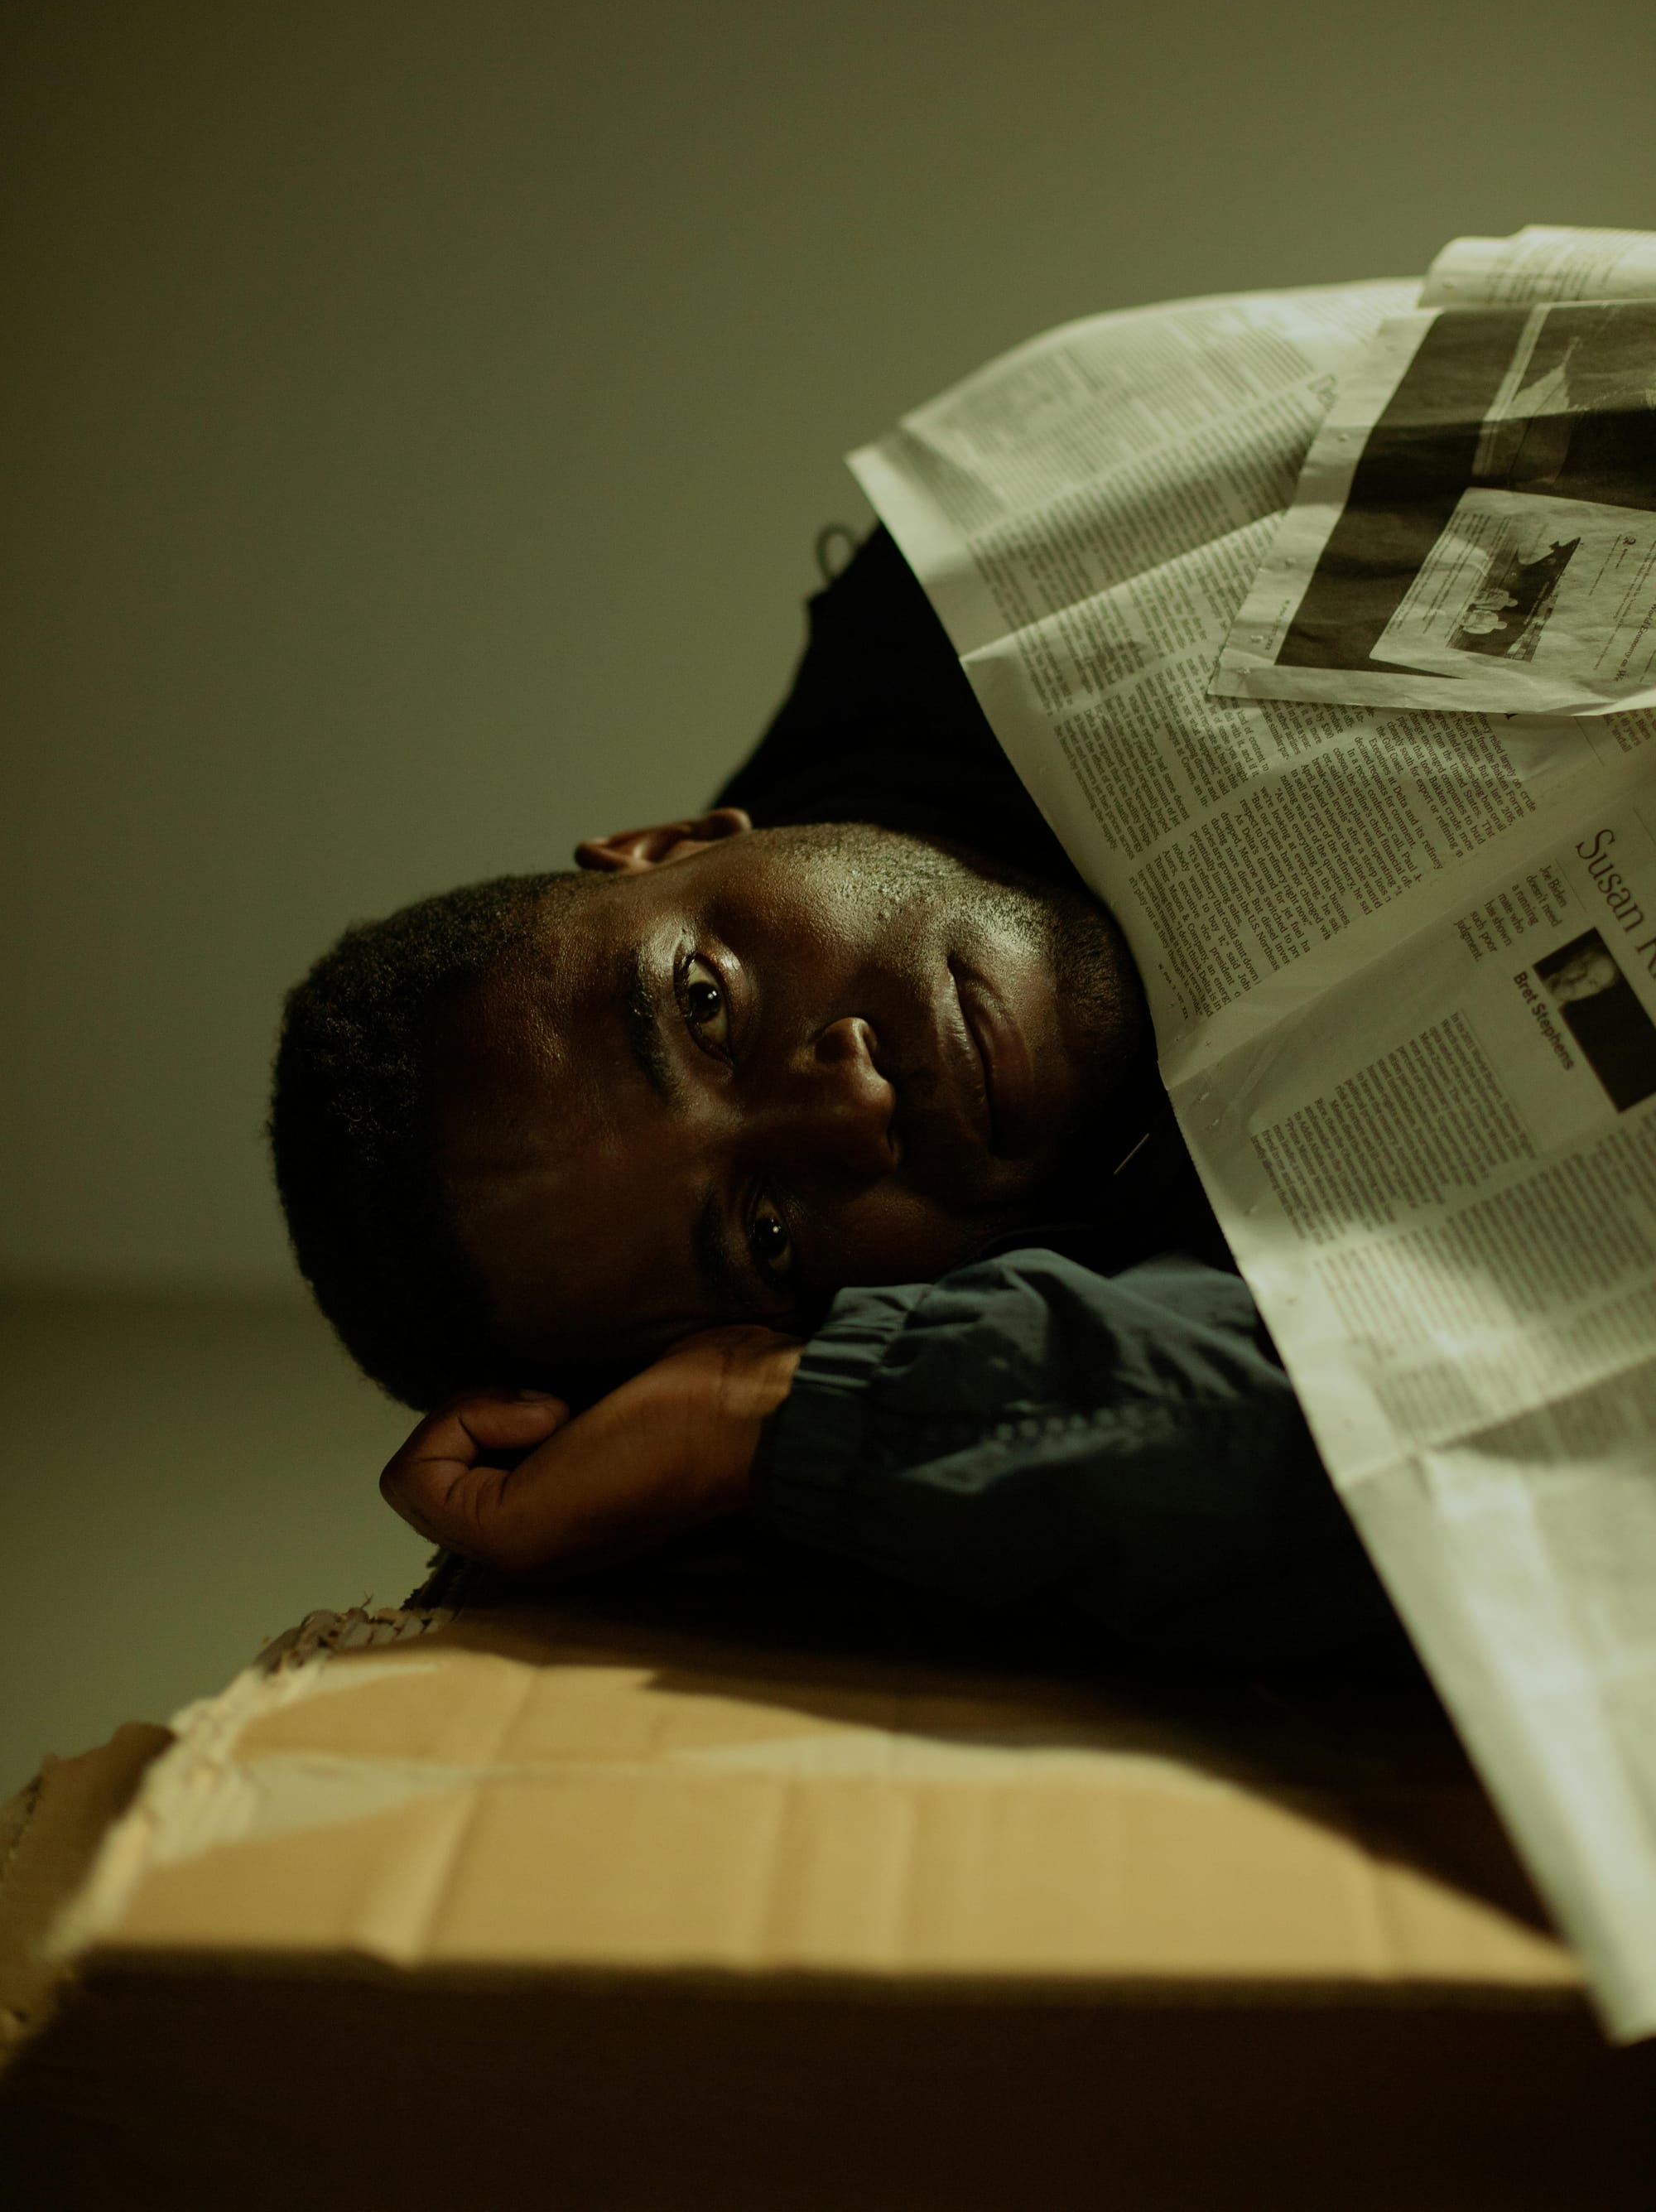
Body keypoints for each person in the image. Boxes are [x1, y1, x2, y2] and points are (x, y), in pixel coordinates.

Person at [271, 528, 1394, 1670]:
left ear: (668, 845)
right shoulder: (1063, 1332)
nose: (853, 1108)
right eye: (767, 1236)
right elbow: (1437, 1441)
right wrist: (748, 1416)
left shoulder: (973, 591)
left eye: (704, 1004)